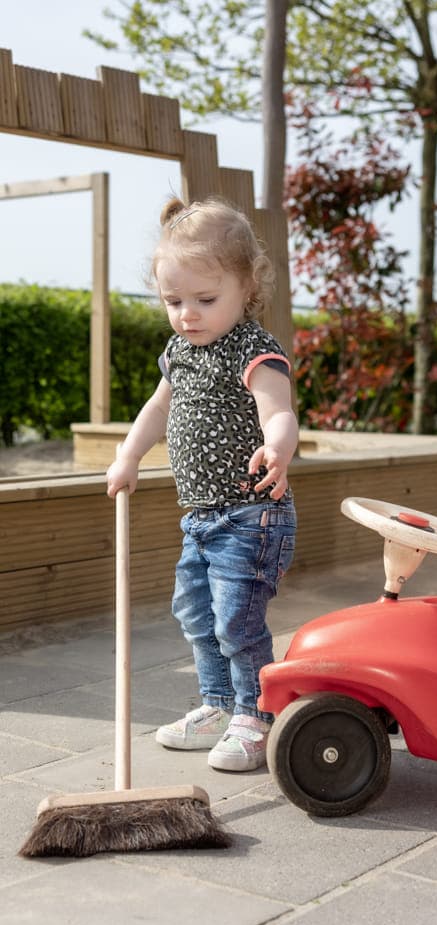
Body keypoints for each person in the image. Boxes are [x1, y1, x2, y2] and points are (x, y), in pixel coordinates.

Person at [106, 196, 298, 772]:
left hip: (251, 515)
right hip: (200, 518)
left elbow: (280, 410)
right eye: (174, 301)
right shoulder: (180, 352)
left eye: (205, 300)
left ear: (247, 287)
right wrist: (129, 456)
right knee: (195, 612)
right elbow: (155, 411)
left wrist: (278, 444)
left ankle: (254, 714)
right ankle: (216, 704)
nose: (188, 313)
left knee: (236, 619)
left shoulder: (254, 350)